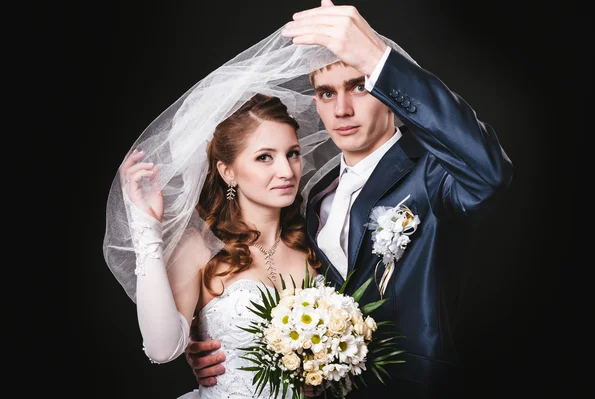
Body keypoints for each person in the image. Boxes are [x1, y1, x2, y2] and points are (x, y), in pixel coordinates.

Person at [184, 1, 514, 398]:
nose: (341, 109)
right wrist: (224, 345)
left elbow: (489, 171)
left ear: (386, 90)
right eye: (326, 93)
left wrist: (378, 59)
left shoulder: (435, 175)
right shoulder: (312, 200)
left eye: (359, 86)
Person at [105, 92, 329, 398]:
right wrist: (145, 227)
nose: (287, 171)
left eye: (292, 153)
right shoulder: (198, 247)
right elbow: (161, 348)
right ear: (228, 172)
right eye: (265, 157)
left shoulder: (316, 239)